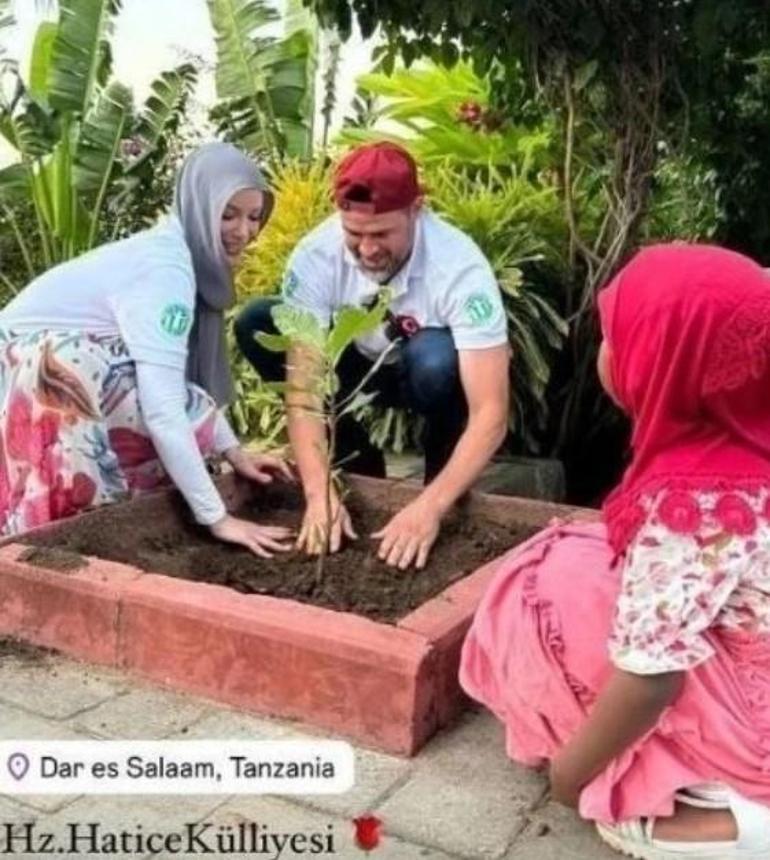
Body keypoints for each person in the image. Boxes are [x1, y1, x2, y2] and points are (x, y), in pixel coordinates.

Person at [460, 244, 770, 857]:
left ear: (666, 361)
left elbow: (651, 679)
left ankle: (717, 811)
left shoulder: (694, 505)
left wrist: (570, 780)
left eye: (617, 337)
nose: (604, 351)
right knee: (585, 552)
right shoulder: (748, 436)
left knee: (541, 585)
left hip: (753, 722)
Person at [0, 142, 293, 558]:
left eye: (253, 216)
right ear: (198, 206)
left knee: (146, 384)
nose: (243, 231)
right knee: (92, 372)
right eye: (227, 215)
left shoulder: (181, 254)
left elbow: (182, 387)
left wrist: (234, 452)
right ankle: (63, 542)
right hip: (25, 378)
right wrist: (218, 517)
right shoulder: (166, 270)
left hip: (48, 372)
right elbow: (164, 408)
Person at [235, 141, 510, 570]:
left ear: (416, 210)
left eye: (381, 234)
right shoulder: (315, 256)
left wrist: (430, 508)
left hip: (423, 374)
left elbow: (490, 413)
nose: (366, 249)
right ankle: (358, 464)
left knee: (437, 360)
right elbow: (305, 391)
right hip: (354, 369)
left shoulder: (460, 268)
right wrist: (318, 494)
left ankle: (442, 489)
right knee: (258, 320)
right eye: (354, 234)